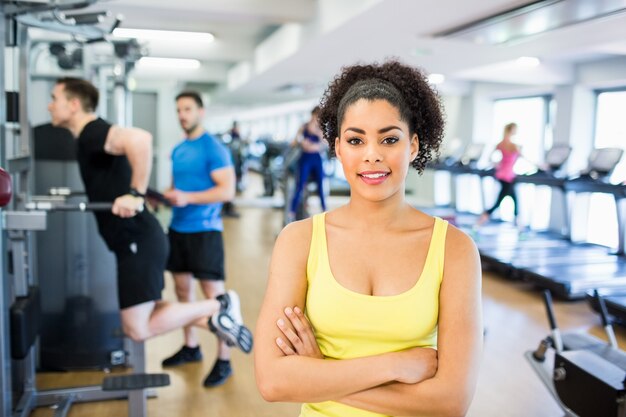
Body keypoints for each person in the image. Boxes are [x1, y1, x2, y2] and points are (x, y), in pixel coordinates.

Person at [254, 61, 483, 416]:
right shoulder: (298, 241)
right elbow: (272, 381)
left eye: (389, 139)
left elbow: (450, 402)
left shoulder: (455, 249)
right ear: (338, 149)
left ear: (413, 146)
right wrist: (393, 366)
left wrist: (320, 372)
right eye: (355, 140)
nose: (372, 154)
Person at [47, 78, 253, 359]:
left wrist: (135, 192)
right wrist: (148, 195)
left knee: (137, 329)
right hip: (153, 233)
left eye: (54, 98)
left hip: (149, 237)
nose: (49, 105)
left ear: (73, 105)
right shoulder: (177, 149)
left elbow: (140, 140)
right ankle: (212, 323)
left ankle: (218, 306)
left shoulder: (92, 131)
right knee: (162, 306)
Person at [161, 91, 246, 387]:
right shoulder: (178, 150)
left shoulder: (214, 149)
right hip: (178, 229)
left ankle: (224, 360)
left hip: (205, 231)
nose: (182, 114)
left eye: (187, 109)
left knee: (216, 300)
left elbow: (227, 191)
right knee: (183, 292)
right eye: (179, 109)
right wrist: (164, 197)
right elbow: (177, 187)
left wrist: (188, 197)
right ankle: (191, 347)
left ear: (201, 112)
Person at [476, 122, 521, 228]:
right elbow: (523, 157)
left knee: (514, 200)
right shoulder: (513, 146)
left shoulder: (501, 144)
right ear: (511, 130)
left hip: (503, 175)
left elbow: (490, 158)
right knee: (499, 203)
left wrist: (497, 164)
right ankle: (478, 224)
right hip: (508, 177)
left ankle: (520, 228)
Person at [288, 106, 327, 222]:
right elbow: (294, 142)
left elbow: (325, 144)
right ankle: (292, 212)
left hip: (316, 158)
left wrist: (318, 135)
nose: (317, 118)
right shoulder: (303, 126)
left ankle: (324, 210)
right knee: (300, 185)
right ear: (312, 115)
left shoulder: (320, 129)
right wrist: (301, 142)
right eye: (315, 115)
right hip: (305, 157)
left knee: (321, 184)